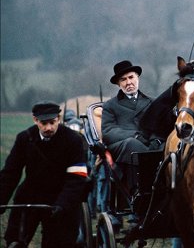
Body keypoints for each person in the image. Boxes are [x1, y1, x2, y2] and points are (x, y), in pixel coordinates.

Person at [0, 101, 88, 247]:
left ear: (59, 119)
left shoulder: (73, 140)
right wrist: (2, 199)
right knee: (15, 240)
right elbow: (10, 173)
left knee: (58, 242)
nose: (48, 127)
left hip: (61, 198)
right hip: (30, 196)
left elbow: (76, 178)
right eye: (43, 123)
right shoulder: (25, 138)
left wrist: (63, 204)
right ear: (35, 120)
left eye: (52, 122)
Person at [101, 60, 162, 198]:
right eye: (123, 80)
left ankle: (164, 187)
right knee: (131, 144)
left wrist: (155, 140)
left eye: (131, 77)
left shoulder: (152, 102)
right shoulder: (110, 106)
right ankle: (137, 191)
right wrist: (134, 135)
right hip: (123, 146)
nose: (128, 82)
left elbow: (160, 127)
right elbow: (108, 132)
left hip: (149, 145)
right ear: (118, 84)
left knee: (166, 145)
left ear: (137, 78)